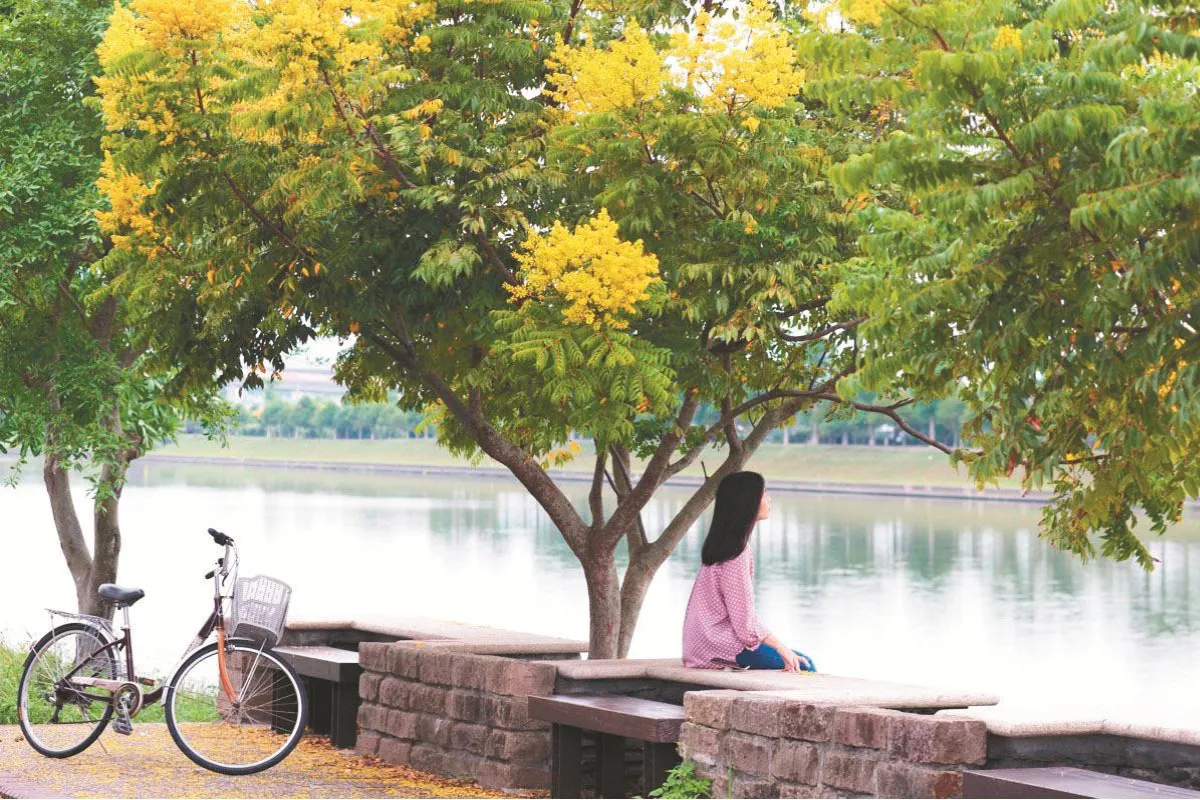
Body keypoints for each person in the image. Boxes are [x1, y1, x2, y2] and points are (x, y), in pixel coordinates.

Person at [682, 471, 816, 672]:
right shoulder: (737, 553)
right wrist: (782, 648)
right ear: (747, 501)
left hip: (702, 646)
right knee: (805, 665)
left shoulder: (722, 545)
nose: (769, 499)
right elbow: (745, 626)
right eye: (764, 494)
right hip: (720, 649)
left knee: (795, 661)